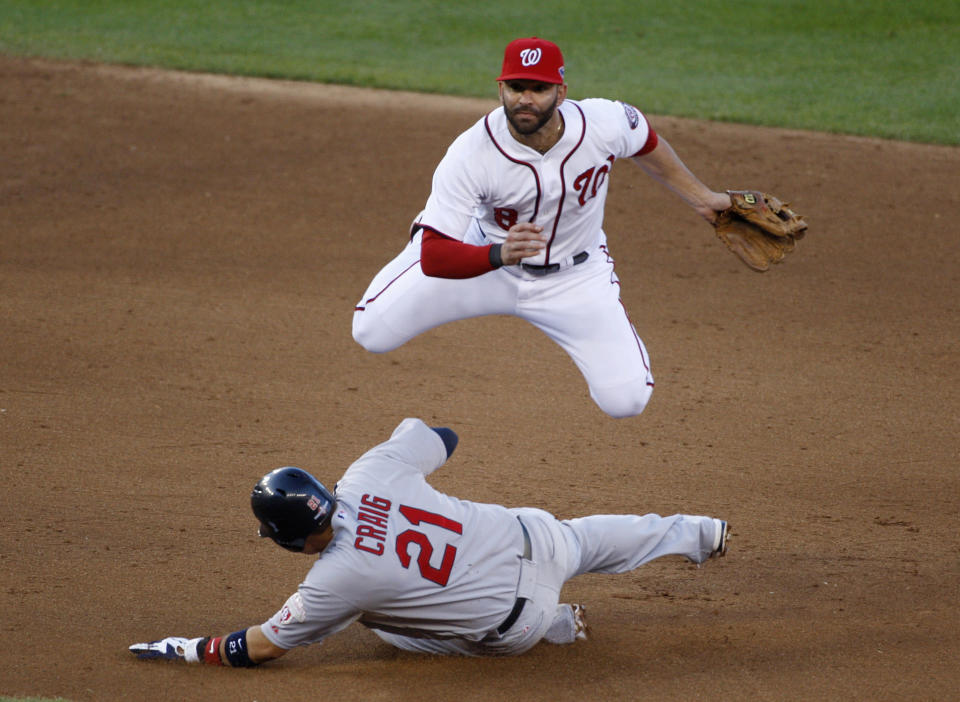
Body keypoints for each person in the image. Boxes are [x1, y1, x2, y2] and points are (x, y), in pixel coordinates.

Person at [130, 418, 730, 665]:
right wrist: (381, 481)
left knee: (374, 619)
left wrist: (189, 649)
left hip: (516, 624)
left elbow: (258, 647)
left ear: (288, 539)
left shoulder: (333, 583)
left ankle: (558, 625)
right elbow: (443, 436)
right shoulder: (367, 474)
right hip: (539, 537)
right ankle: (699, 532)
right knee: (583, 536)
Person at [352, 37, 735, 419]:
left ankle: (455, 230)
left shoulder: (603, 123)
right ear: (501, 88)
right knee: (370, 331)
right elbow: (434, 258)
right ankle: (441, 224)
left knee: (626, 401)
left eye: (539, 88)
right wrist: (497, 254)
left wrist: (704, 199)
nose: (526, 99)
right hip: (487, 265)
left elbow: (645, 140)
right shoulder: (471, 153)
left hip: (575, 279)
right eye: (517, 87)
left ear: (561, 91)